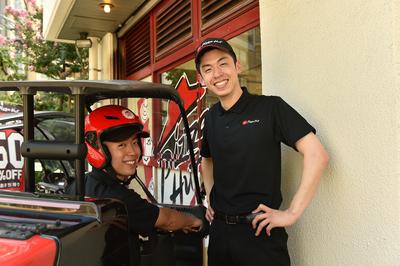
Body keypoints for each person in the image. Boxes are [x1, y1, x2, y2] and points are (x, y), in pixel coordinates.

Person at [196, 38, 329, 265]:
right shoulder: (210, 117)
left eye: (223, 63)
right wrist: (210, 199)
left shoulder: (270, 108)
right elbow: (207, 161)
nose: (217, 74)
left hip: (259, 234)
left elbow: (317, 154)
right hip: (219, 235)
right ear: (201, 79)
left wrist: (292, 213)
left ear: (237, 66)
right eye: (208, 69)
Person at [68, 105, 202, 265]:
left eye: (134, 142)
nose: (132, 151)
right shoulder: (118, 200)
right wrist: (193, 221)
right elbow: (167, 220)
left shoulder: (79, 184)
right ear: (98, 149)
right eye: (121, 145)